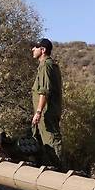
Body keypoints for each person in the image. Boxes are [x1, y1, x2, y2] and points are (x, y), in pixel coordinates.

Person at [31, 38, 63, 167]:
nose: (32, 49)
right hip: (47, 112)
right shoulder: (49, 65)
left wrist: (38, 112)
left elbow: (44, 91)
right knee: (43, 145)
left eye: (36, 47)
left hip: (46, 113)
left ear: (43, 50)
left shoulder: (46, 65)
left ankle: (62, 176)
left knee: (52, 143)